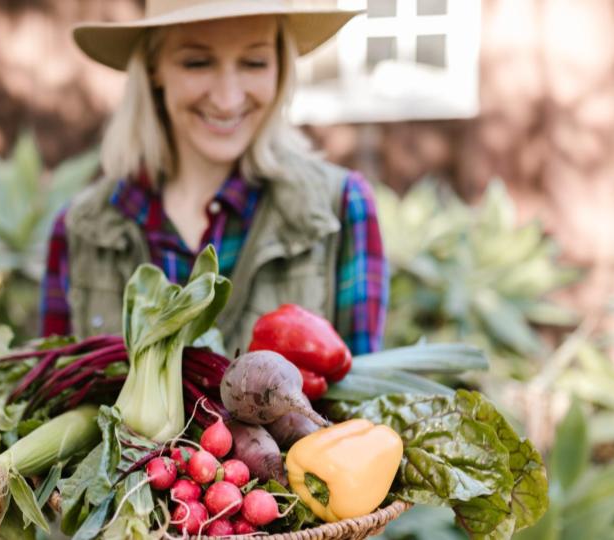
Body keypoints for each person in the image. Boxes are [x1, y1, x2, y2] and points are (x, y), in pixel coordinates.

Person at [40, 0, 388, 357]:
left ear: (281, 68)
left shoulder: (341, 209)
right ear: (154, 68)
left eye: (254, 63)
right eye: (197, 62)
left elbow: (360, 389)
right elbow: (51, 386)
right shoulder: (79, 230)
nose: (227, 99)